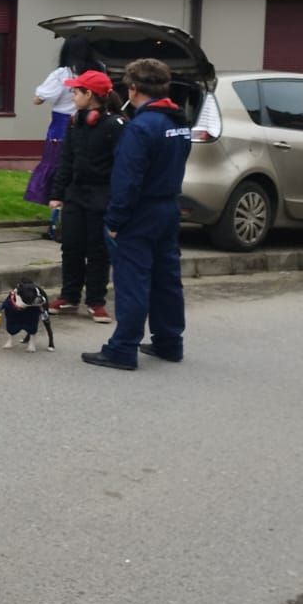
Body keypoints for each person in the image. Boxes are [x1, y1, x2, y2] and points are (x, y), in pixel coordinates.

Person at [82, 58, 190, 371]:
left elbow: (127, 178)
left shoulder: (140, 127)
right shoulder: (179, 122)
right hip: (168, 207)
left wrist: (115, 220)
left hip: (141, 212)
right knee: (167, 278)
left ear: (132, 88)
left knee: (133, 280)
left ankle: (122, 348)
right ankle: (170, 342)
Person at [47, 69, 125, 324]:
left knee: (97, 250)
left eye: (76, 91)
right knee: (71, 247)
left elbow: (123, 166)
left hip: (102, 197)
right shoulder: (75, 122)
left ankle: (96, 301)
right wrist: (57, 194)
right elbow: (65, 160)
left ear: (89, 94)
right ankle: (69, 296)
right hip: (75, 196)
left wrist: (117, 200)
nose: (72, 94)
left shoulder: (115, 126)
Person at [25, 37, 105, 233]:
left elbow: (38, 99)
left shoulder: (63, 73)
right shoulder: (99, 69)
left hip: (61, 126)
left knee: (59, 171)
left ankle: (57, 224)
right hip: (92, 125)